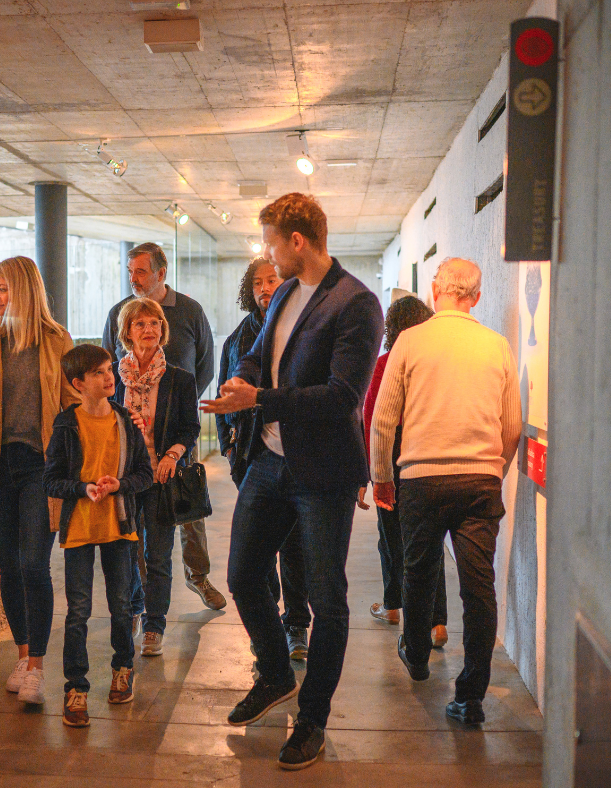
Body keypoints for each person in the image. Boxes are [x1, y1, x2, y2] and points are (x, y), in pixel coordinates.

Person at [202, 193, 383, 770]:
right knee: (243, 575)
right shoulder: (281, 292)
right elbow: (257, 356)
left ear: (297, 241)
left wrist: (263, 398)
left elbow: (343, 397)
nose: (267, 254)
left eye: (271, 242)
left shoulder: (357, 303)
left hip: (323, 473)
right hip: (270, 461)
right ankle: (277, 673)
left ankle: (312, 719)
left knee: (328, 600)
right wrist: (241, 382)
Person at [371, 258, 521, 726]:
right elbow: (511, 425)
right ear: (475, 297)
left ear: (436, 290)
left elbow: (382, 418)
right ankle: (470, 696)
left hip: (420, 479)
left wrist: (381, 477)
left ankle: (415, 655)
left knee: (419, 571)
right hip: (479, 481)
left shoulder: (411, 341)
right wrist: (495, 470)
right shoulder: (497, 346)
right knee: (479, 588)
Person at [0, 255, 80, 706]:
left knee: (34, 565)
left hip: (40, 468)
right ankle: (23, 654)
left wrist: (74, 467)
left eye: (3, 288)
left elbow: (72, 410)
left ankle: (38, 668)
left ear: (25, 290)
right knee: (9, 566)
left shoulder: (56, 341)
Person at [102, 242, 225, 611]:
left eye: (141, 271)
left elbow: (205, 363)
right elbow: (110, 366)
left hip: (178, 431)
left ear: (161, 272)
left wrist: (181, 400)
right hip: (134, 442)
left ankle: (198, 576)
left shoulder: (189, 310)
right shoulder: (119, 313)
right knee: (140, 523)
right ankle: (143, 595)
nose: (134, 279)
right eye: (130, 271)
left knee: (188, 509)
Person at [43, 344, 154, 727]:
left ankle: (123, 669)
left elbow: (145, 474)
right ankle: (76, 688)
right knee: (78, 612)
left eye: (110, 369)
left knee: (121, 605)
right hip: (78, 530)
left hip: (119, 529)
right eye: (99, 373)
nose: (109, 377)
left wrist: (119, 484)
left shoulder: (125, 420)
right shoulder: (65, 423)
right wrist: (82, 488)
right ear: (78, 384)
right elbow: (52, 479)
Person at [217, 257, 311, 660]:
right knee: (256, 551)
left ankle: (296, 625)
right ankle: (269, 623)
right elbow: (224, 390)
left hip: (292, 456)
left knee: (293, 546)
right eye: (257, 282)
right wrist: (226, 445)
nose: (265, 287)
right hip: (251, 456)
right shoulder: (238, 340)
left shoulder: (301, 329)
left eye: (271, 279)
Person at [112, 298, 201, 657]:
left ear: (163, 329)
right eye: (140, 324)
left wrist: (172, 455)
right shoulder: (114, 378)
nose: (149, 329)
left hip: (161, 479)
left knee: (158, 555)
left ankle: (154, 624)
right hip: (124, 479)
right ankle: (135, 607)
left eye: (155, 323)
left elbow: (190, 426)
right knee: (127, 552)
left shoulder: (180, 379)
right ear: (127, 332)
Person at [362, 295, 448, 648]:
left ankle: (393, 606)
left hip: (393, 455)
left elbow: (372, 420)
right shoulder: (438, 364)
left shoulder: (384, 363)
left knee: (393, 538)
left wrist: (371, 474)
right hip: (429, 453)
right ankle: (437, 623)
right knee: (430, 542)